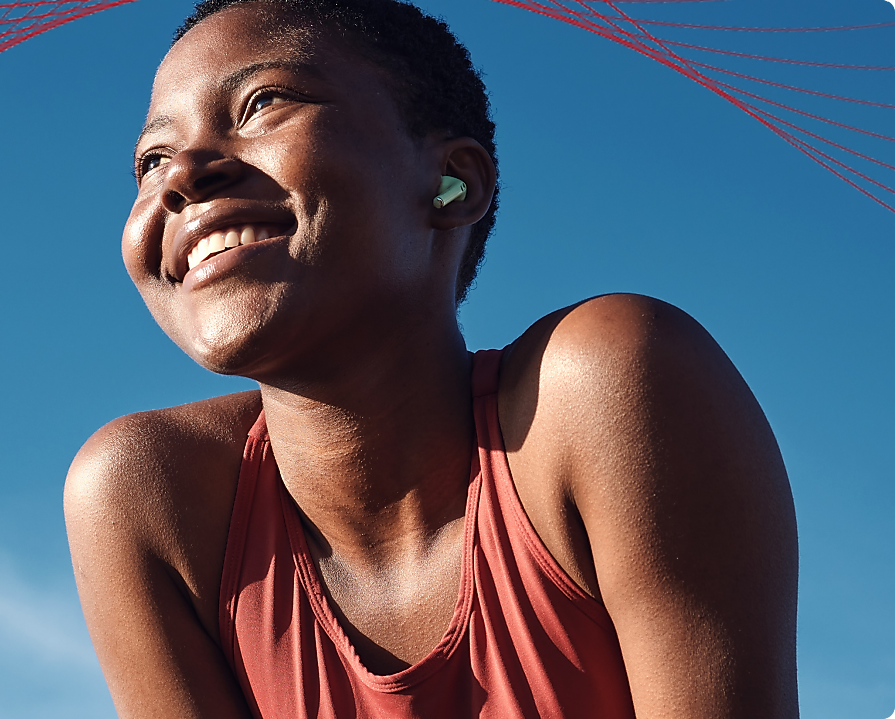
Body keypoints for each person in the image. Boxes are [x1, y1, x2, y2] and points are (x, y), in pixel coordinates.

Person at [63, 0, 799, 716]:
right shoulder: (152, 500)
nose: (182, 174)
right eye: (151, 160)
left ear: (454, 185)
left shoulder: (608, 388)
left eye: (263, 103)